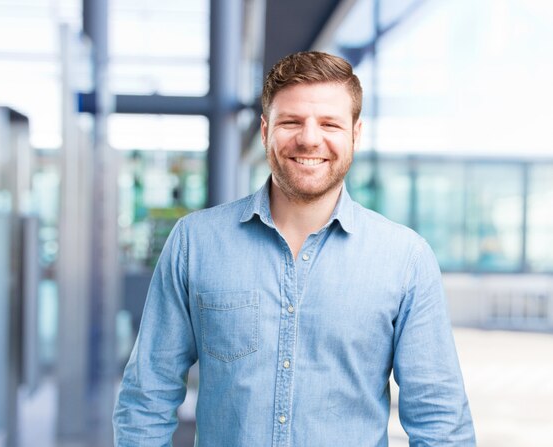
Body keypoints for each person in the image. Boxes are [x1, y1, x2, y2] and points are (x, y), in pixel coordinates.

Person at [113, 51, 476, 446]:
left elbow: (440, 421)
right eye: (291, 121)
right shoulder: (195, 242)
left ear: (355, 134)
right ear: (266, 129)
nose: (309, 138)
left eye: (329, 123)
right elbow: (147, 397)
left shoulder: (406, 259)